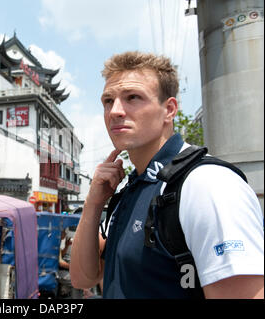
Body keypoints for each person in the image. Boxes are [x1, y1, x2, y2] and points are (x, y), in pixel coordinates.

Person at [70, 51, 264, 299]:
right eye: (108, 101)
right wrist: (93, 204)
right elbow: (83, 278)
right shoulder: (132, 187)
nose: (115, 111)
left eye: (132, 97)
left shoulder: (207, 185)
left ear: (169, 109)